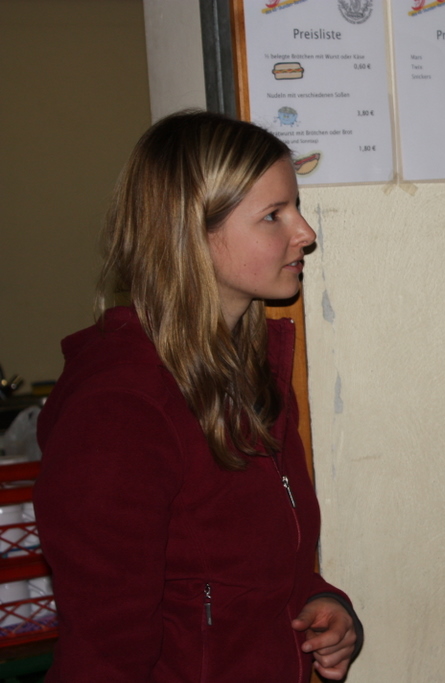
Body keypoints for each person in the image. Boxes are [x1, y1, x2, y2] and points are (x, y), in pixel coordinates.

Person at [34, 111, 363, 681]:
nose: (306, 233)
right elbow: (104, 651)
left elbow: (236, 568)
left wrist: (320, 600)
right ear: (191, 234)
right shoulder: (120, 407)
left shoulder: (251, 374)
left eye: (296, 207)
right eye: (273, 215)